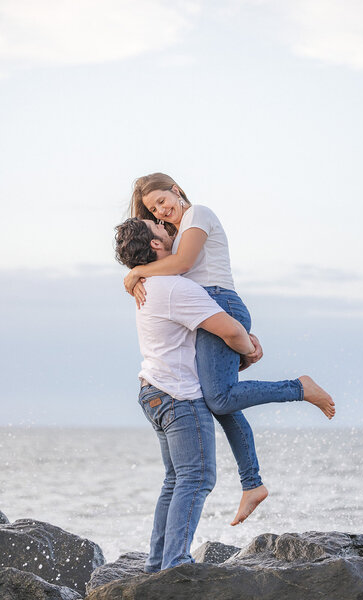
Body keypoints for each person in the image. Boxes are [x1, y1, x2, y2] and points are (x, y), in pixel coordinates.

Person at [123, 181, 335, 523]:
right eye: (153, 210)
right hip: (209, 310)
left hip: (218, 301)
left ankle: (299, 388)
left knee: (220, 398)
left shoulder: (197, 214)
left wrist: (137, 273)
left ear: (176, 190)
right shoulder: (177, 233)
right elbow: (172, 264)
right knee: (218, 399)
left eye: (162, 201)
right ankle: (252, 484)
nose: (161, 211)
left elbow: (182, 263)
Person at [114, 217, 258, 572]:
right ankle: (176, 562)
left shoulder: (149, 285)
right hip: (178, 396)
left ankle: (157, 564)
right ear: (156, 246)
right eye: (160, 228)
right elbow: (229, 330)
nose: (167, 226)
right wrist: (249, 351)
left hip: (153, 391)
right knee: (197, 477)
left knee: (175, 480)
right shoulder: (174, 288)